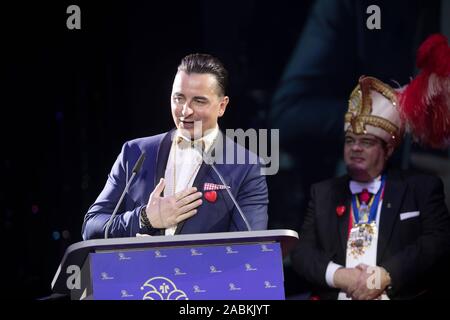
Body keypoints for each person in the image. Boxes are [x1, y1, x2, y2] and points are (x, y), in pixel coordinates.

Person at [290, 34, 450, 300]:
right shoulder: (324, 192)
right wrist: (342, 276)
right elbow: (302, 253)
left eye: (366, 142)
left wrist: (384, 276)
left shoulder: (419, 187)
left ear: (387, 150)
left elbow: (437, 242)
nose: (355, 148)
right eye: (350, 140)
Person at [82, 53, 268, 239]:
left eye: (199, 100)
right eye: (178, 98)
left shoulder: (246, 166)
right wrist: (144, 218)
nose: (185, 111)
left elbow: (249, 248)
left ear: (222, 106)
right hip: (139, 269)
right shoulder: (135, 152)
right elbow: (91, 228)